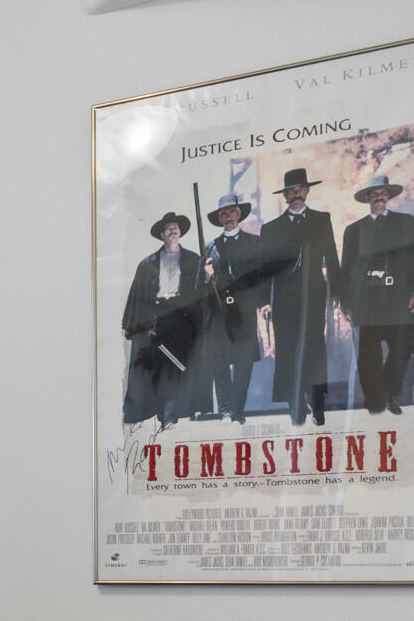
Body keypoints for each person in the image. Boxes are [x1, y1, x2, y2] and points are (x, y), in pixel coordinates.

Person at [338, 175, 414, 414]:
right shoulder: (354, 230)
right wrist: (346, 302)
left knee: (403, 347)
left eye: (383, 192)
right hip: (367, 301)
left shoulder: (405, 223)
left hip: (399, 299)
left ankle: (391, 393)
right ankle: (376, 402)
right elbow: (347, 268)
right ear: (367, 198)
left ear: (388, 196)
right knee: (368, 356)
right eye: (374, 193)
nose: (379, 197)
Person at [259, 166, 339, 425]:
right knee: (288, 348)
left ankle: (317, 403)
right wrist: (264, 301)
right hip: (283, 298)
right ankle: (295, 402)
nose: (295, 194)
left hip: (314, 295)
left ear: (306, 191)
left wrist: (337, 292)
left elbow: (331, 257)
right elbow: (264, 268)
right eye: (290, 191)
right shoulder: (271, 229)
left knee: (314, 346)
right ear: (285, 195)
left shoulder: (321, 220)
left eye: (299, 189)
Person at [119, 211, 204, 426]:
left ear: (180, 232)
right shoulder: (147, 264)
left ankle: (170, 413)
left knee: (176, 366)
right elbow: (138, 298)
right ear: (162, 235)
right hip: (156, 318)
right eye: (168, 228)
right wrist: (140, 325)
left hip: (181, 320)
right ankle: (156, 411)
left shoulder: (194, 260)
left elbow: (201, 292)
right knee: (156, 367)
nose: (172, 230)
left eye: (175, 227)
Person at [198, 196, 262, 421]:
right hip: (218, 314)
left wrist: (262, 302)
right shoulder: (209, 247)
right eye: (223, 214)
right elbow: (199, 286)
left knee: (244, 362)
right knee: (220, 362)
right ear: (219, 219)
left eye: (231, 212)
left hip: (244, 312)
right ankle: (225, 410)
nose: (227, 217)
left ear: (239, 214)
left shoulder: (254, 243)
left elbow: (261, 276)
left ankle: (237, 410)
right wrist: (206, 276)